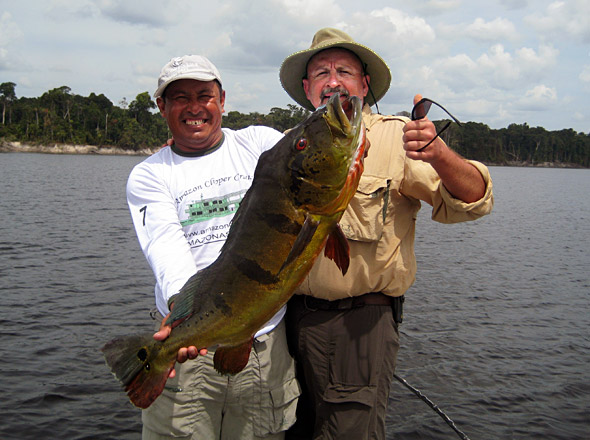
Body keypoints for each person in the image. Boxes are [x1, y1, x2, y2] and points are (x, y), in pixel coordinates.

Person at [278, 28, 494, 440]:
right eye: (321, 72)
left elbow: (475, 201)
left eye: (345, 70)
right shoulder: (291, 145)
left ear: (365, 84)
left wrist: (440, 154)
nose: (333, 81)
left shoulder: (399, 137)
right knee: (293, 430)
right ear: (308, 89)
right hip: (288, 321)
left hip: (359, 323)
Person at [126, 54, 299, 440]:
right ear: (162, 107)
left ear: (222, 100)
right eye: (180, 97)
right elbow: (164, 245)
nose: (194, 108)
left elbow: (307, 167)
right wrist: (185, 316)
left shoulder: (260, 143)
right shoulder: (150, 175)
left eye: (204, 95)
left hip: (262, 344)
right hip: (190, 340)